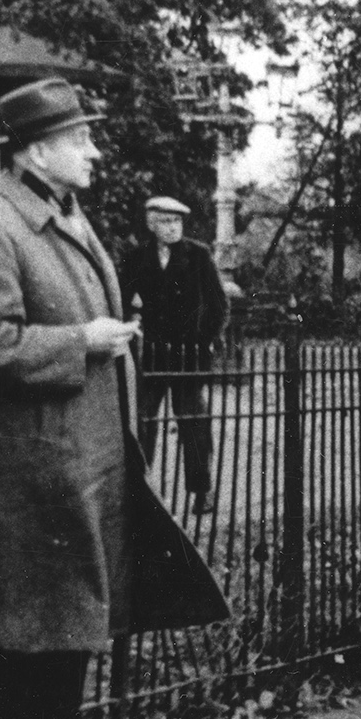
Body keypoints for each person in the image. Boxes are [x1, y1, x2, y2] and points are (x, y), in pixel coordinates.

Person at [0, 78, 226, 719]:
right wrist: (84, 341)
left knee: (69, 618)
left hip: (77, 460)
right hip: (22, 471)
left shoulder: (66, 216)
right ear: (37, 152)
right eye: (79, 139)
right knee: (8, 624)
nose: (94, 151)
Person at [122, 195, 228, 514]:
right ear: (151, 224)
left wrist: (204, 340)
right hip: (153, 354)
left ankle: (202, 490)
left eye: (177, 222)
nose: (173, 228)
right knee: (144, 420)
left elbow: (219, 305)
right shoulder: (137, 257)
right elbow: (122, 299)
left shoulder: (198, 255)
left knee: (193, 422)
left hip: (189, 355)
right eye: (166, 222)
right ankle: (142, 489)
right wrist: (131, 327)